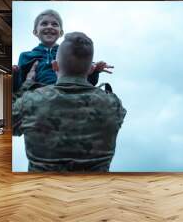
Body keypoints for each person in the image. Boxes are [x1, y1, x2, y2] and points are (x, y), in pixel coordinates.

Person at [12, 32, 126, 172]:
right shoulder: (113, 105)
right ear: (91, 69)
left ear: (55, 66)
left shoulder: (30, 102)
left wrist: (27, 84)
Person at [13, 9, 113, 94]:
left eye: (54, 24)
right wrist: (15, 74)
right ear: (35, 32)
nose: (49, 26)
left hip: (67, 96)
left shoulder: (71, 52)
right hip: (38, 100)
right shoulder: (25, 56)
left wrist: (95, 71)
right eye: (44, 23)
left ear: (61, 33)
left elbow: (86, 82)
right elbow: (19, 88)